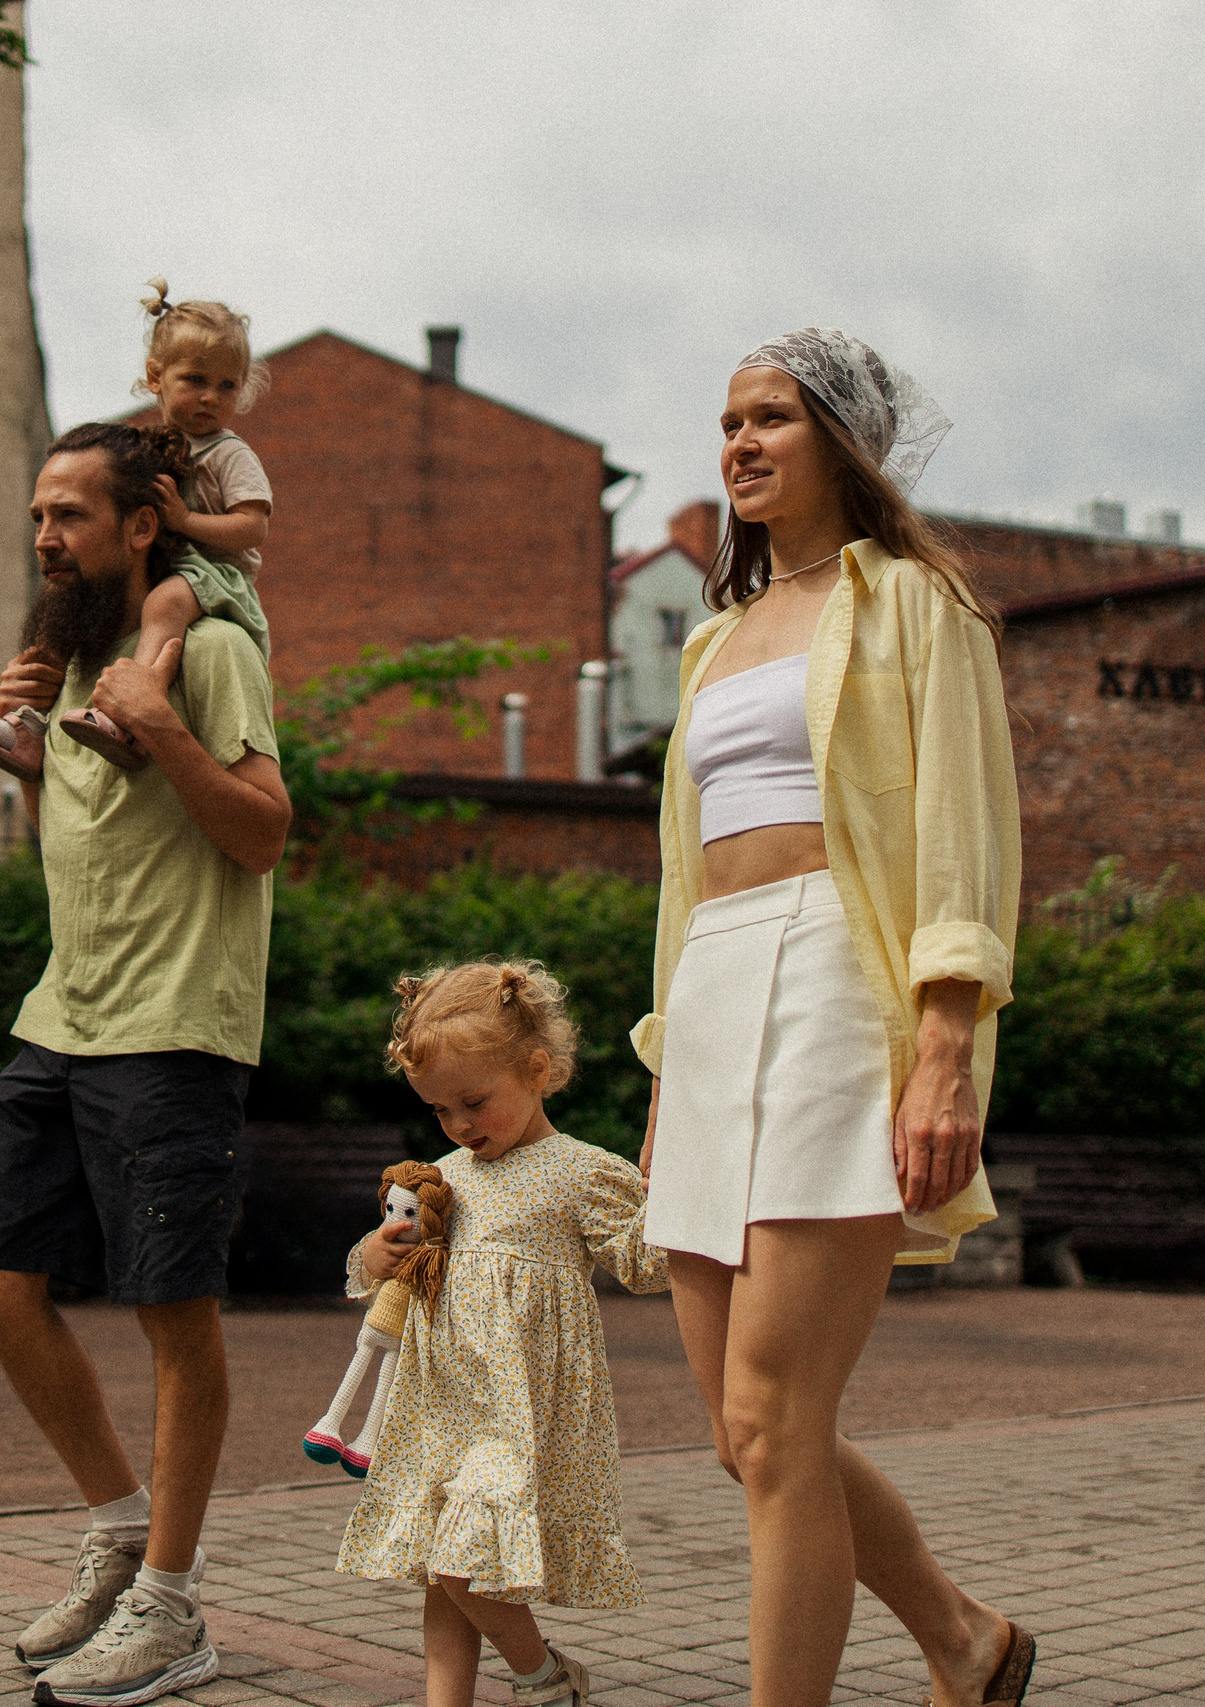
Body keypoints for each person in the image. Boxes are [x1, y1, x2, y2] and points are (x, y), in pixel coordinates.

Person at [633, 330, 1034, 1707]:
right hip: (712, 995)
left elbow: (964, 839)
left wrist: (942, 1047)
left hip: (835, 984)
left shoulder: (920, 602)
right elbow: (684, 878)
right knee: (748, 1437)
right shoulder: (711, 639)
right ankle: (968, 1641)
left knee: (773, 1415)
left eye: (771, 418)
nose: (738, 442)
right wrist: (664, 1067)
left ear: (843, 442)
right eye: (727, 419)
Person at [0, 420, 291, 1707]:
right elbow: (80, 833)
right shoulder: (84, 653)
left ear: (141, 526)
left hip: (175, 1027)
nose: (45, 537)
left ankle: (174, 1605)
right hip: (65, 1013)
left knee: (171, 1314)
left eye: (71, 517)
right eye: (38, 514)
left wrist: (165, 723)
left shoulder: (207, 650)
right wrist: (36, 756)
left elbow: (261, 833)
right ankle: (117, 1529)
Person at [338, 961, 669, 1707]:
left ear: (538, 1069)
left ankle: (543, 1676)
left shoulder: (581, 1170)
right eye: (440, 1110)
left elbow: (647, 1264)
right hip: (439, 1407)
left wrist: (689, 1195)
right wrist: (373, 1254)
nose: (459, 1124)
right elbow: (392, 1276)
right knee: (438, 1565)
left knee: (457, 1563)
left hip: (518, 1411)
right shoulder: (441, 1180)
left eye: (474, 1101)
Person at [0, 280, 273, 778]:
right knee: (57, 619)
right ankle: (27, 727)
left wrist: (185, 521)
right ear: (155, 378)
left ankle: (127, 714)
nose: (211, 397)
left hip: (214, 576)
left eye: (227, 386)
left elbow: (253, 527)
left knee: (162, 603)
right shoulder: (142, 446)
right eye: (195, 381)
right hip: (169, 566)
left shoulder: (228, 453)